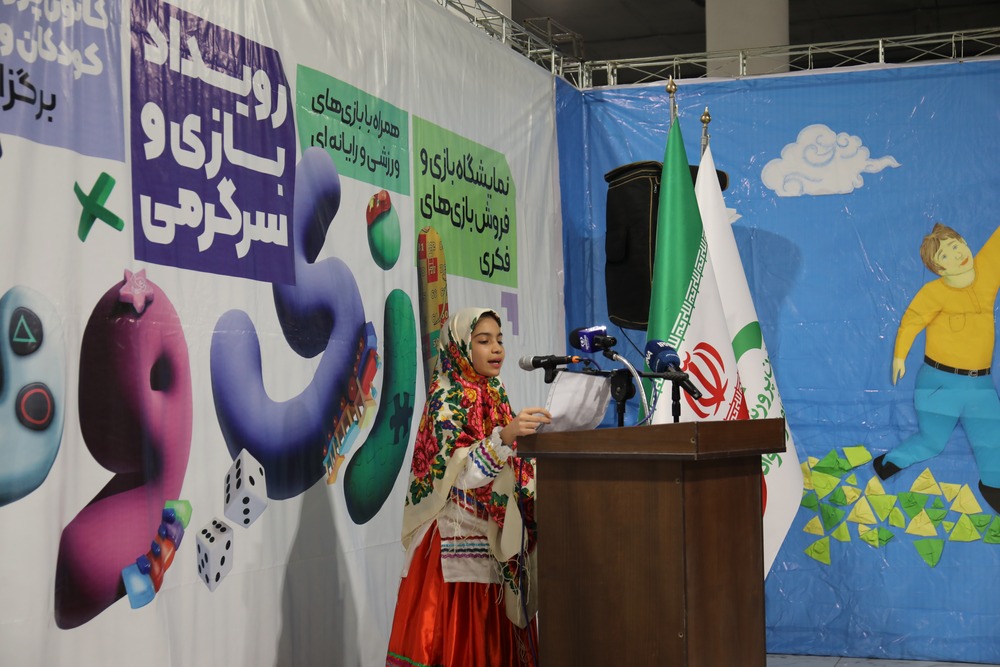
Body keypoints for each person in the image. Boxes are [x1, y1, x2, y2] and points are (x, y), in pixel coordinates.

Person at [385, 307, 552, 667]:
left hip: (495, 539)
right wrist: (506, 436)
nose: (497, 348)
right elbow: (462, 476)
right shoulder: (445, 397)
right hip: (457, 545)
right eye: (484, 340)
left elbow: (509, 465)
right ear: (460, 347)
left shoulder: (496, 392)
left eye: (499, 340)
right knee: (460, 642)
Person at [876, 222, 1000, 511]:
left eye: (956, 246)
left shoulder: (986, 273)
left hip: (980, 385)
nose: (956, 256)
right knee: (932, 442)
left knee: (993, 439)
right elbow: (912, 320)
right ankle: (887, 463)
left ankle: (994, 486)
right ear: (938, 268)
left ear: (965, 242)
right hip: (939, 383)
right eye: (944, 255)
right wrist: (899, 356)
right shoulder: (934, 293)